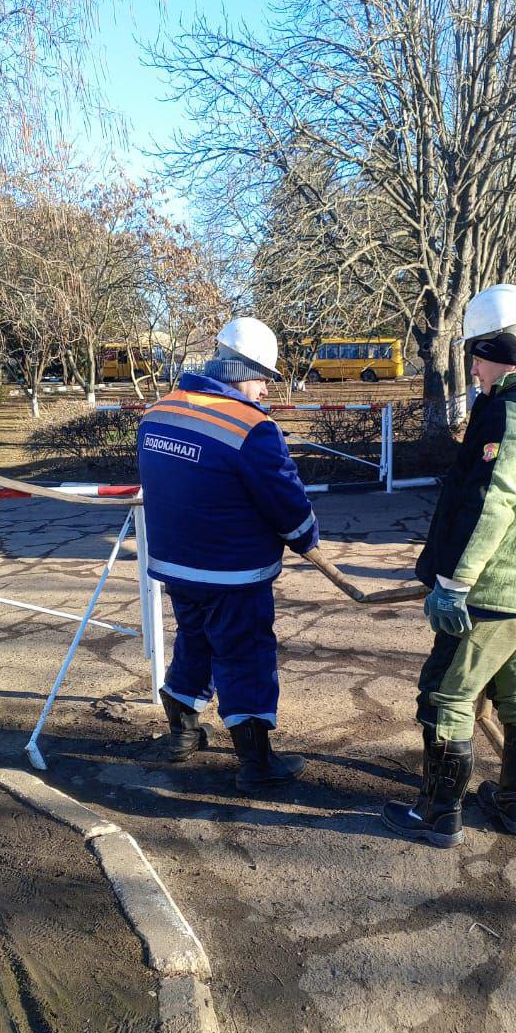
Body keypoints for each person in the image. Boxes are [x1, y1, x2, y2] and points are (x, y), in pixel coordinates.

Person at [382, 284, 516, 847]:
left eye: (476, 352)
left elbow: (491, 504)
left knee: (446, 695)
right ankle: (515, 807)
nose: (472, 366)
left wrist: (454, 583)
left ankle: (438, 815)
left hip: (491, 594)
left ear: (499, 349)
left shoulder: (506, 413)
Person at [138, 316, 319, 794]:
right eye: (264, 379)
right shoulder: (252, 429)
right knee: (245, 656)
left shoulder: (158, 412)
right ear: (243, 370)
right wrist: (306, 538)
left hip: (175, 565)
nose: (264, 391)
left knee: (193, 643)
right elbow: (286, 499)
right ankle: (257, 762)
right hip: (233, 572)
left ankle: (181, 733)